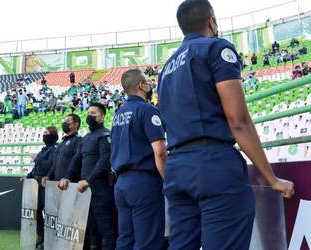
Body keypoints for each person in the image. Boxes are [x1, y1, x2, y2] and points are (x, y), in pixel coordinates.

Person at [157, 1, 295, 249]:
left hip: (177, 168)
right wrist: (271, 178)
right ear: (211, 21)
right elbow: (238, 121)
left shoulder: (166, 68)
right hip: (213, 164)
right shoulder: (216, 48)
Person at [110, 69, 167, 250]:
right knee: (148, 242)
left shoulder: (118, 114)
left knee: (126, 240)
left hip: (121, 183)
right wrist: (168, 179)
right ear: (141, 85)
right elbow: (159, 151)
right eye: (147, 81)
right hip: (143, 181)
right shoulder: (147, 110)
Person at [59, 103, 117, 250]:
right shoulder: (86, 138)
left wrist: (88, 180)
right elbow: (76, 161)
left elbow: (105, 161)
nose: (90, 116)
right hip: (85, 191)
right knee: (91, 230)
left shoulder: (105, 135)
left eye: (93, 113)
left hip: (101, 190)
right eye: (89, 113)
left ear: (102, 117)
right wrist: (67, 177)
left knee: (106, 230)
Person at [22, 126, 59, 249]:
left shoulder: (55, 149)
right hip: (36, 184)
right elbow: (36, 168)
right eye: (43, 133)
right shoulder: (43, 150)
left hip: (47, 184)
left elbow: (50, 166)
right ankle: (41, 237)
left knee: (49, 213)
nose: (44, 135)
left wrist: (36, 159)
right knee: (36, 211)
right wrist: (28, 176)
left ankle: (50, 239)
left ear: (53, 135)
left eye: (47, 133)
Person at [43, 114, 82, 183]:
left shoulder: (78, 141)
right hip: (57, 183)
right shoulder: (61, 143)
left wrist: (68, 177)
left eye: (67, 121)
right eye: (64, 121)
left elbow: (76, 162)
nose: (64, 123)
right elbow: (55, 163)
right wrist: (48, 176)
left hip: (69, 183)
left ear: (76, 125)